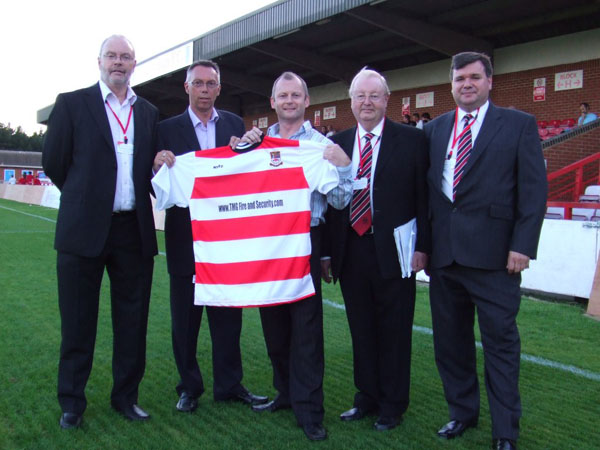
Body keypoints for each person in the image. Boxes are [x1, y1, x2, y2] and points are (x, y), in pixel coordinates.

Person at [424, 52, 547, 450]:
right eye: (460, 79)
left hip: (496, 259)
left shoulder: (518, 125)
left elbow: (533, 192)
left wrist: (522, 245)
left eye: (474, 77)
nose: (467, 85)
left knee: (501, 345)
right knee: (450, 343)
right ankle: (462, 413)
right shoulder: (435, 129)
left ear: (490, 81)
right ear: (452, 83)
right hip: (446, 258)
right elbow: (429, 195)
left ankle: (505, 431)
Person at [42, 35, 159, 429]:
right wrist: (85, 200)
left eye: (125, 57)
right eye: (112, 56)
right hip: (83, 230)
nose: (118, 63)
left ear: (134, 64)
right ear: (99, 61)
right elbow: (55, 162)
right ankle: (72, 402)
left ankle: (126, 398)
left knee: (132, 322)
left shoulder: (147, 112)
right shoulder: (72, 104)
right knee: (78, 322)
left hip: (133, 230)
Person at [233, 71, 352, 441]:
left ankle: (310, 410)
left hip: (305, 240)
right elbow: (235, 185)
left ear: (306, 101)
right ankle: (285, 393)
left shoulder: (319, 145)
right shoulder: (257, 141)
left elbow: (339, 200)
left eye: (295, 95)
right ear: (272, 102)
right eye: (282, 95)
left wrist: (342, 164)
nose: (288, 101)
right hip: (268, 243)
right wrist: (238, 149)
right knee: (274, 326)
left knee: (306, 329)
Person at [151, 60, 267, 413]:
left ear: (219, 88)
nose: (204, 89)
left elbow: (248, 173)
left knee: (228, 318)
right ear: (186, 88)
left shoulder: (233, 124)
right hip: (185, 241)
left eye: (210, 83)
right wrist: (157, 165)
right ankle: (189, 386)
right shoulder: (166, 129)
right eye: (198, 83)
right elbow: (156, 185)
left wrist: (250, 144)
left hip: (225, 242)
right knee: (185, 321)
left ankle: (229, 385)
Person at [323, 68, 429, 432]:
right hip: (351, 251)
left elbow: (423, 198)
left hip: (396, 252)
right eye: (359, 96)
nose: (366, 102)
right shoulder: (337, 142)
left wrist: (424, 247)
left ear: (387, 100)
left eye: (374, 96)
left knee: (394, 331)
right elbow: (326, 204)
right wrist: (326, 254)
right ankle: (365, 397)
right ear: (350, 101)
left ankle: (392, 404)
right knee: (361, 329)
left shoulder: (412, 141)